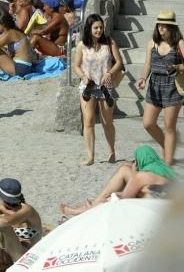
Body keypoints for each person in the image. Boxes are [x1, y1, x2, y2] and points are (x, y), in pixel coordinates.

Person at [60, 145, 175, 216]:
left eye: (136, 161)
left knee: (112, 197)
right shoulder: (166, 171)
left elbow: (125, 197)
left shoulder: (143, 176)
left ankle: (81, 211)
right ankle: (90, 205)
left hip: (151, 212)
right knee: (125, 168)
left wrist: (109, 198)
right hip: (168, 210)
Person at [71, 13, 123, 165]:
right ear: (89, 29)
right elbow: (76, 65)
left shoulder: (109, 42)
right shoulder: (82, 45)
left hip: (106, 86)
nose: (99, 30)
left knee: (107, 121)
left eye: (101, 27)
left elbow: (119, 62)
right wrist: (83, 76)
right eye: (96, 28)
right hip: (88, 87)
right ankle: (90, 156)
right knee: (88, 121)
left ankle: (111, 150)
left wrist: (110, 72)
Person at [136, 10, 184, 164]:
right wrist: (143, 78)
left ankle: (168, 162)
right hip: (154, 85)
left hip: (172, 86)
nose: (161, 28)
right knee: (148, 123)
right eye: (159, 25)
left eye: (165, 25)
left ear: (172, 27)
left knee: (169, 126)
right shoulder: (152, 43)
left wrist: (177, 67)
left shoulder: (179, 43)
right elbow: (148, 64)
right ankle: (168, 145)